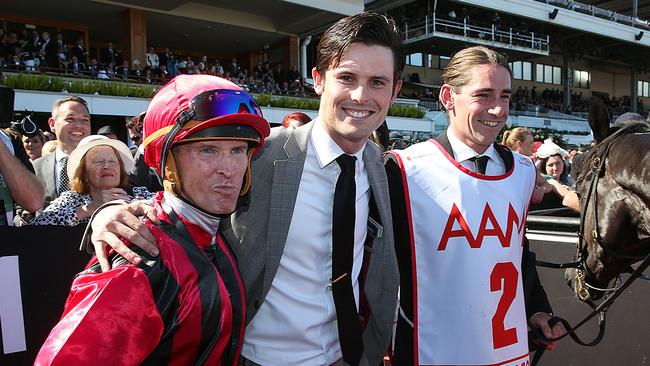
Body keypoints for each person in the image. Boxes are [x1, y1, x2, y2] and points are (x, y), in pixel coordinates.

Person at [86, 12, 402, 366]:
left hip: (350, 355)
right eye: (347, 77)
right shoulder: (259, 153)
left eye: (377, 82)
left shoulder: (387, 167)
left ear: (395, 90)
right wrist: (108, 212)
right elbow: (182, 196)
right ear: (318, 80)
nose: (361, 96)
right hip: (256, 357)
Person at [35, 74, 270, 365]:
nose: (229, 169)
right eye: (208, 150)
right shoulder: (137, 259)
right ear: (164, 160)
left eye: (238, 150)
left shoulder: (215, 232)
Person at [385, 46, 563, 365]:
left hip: (509, 354)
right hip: (431, 354)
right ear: (448, 97)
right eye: (484, 95)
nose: (497, 110)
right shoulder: (404, 169)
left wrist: (536, 308)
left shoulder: (523, 171)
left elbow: (516, 252)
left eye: (505, 96)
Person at [31, 135, 152, 226]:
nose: (107, 166)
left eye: (112, 162)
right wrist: (91, 208)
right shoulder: (71, 199)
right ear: (84, 173)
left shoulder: (138, 193)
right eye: (98, 162)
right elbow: (38, 224)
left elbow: (166, 208)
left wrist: (145, 207)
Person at [33, 96, 91, 213]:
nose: (79, 125)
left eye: (85, 120)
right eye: (70, 119)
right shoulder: (36, 167)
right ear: (52, 124)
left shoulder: (104, 165)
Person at [502, 127, 553, 203]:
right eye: (531, 142)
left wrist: (542, 190)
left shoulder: (528, 164)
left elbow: (547, 185)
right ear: (519, 144)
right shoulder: (503, 161)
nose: (534, 145)